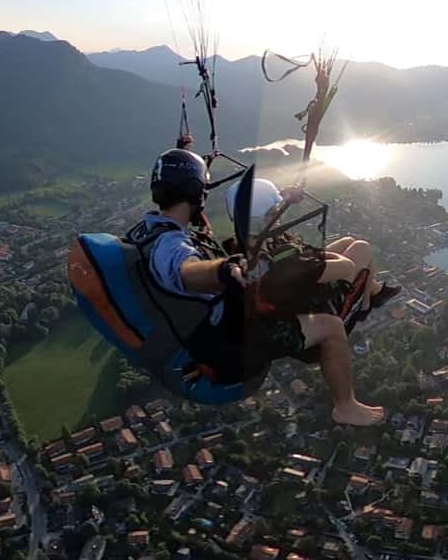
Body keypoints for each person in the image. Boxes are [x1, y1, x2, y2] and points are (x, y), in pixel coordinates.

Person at [138, 148, 384, 426]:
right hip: (238, 340)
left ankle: (368, 296)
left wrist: (284, 202)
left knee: (343, 251)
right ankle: (345, 405)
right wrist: (224, 270)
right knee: (331, 326)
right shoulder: (172, 248)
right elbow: (186, 272)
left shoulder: (156, 232)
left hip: (241, 314)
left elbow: (242, 223)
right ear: (196, 191)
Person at [224, 177, 401, 320]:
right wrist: (317, 257)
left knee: (347, 241)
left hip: (304, 276)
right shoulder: (269, 256)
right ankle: (364, 306)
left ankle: (375, 293)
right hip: (314, 299)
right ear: (258, 219)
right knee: (362, 248)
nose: (277, 216)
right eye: (272, 213)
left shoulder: (248, 243)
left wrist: (286, 195)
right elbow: (346, 266)